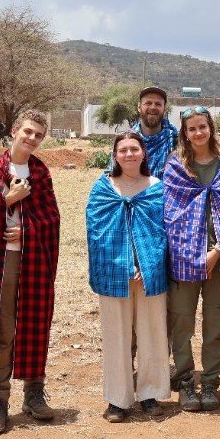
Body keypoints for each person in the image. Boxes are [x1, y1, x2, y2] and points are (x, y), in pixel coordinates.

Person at [0, 109, 61, 435]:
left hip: (32, 260)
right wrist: (8, 200)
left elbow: (52, 219)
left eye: (38, 135)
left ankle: (34, 395)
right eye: (28, 132)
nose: (32, 139)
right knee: (2, 331)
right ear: (14, 130)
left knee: (34, 323)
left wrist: (26, 231)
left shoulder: (41, 172)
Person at [86, 131, 169, 422]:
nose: (130, 154)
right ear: (115, 154)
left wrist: (146, 265)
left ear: (144, 153)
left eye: (135, 149)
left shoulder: (157, 187)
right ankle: (118, 399)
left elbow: (164, 235)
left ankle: (149, 393)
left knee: (152, 334)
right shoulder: (103, 189)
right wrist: (124, 266)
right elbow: (97, 235)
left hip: (150, 274)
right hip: (114, 274)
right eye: (123, 150)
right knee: (115, 336)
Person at [164, 106, 220, 412]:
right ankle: (184, 382)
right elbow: (170, 214)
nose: (198, 133)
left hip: (218, 258)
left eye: (202, 127)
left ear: (211, 129)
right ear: (185, 133)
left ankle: (209, 382)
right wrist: (193, 254)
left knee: (216, 321)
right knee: (182, 322)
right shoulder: (175, 166)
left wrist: (219, 249)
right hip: (183, 258)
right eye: (191, 128)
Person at [132, 86, 179, 178]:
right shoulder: (127, 142)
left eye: (158, 104)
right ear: (139, 107)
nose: (153, 107)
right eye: (148, 103)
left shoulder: (175, 139)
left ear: (164, 109)